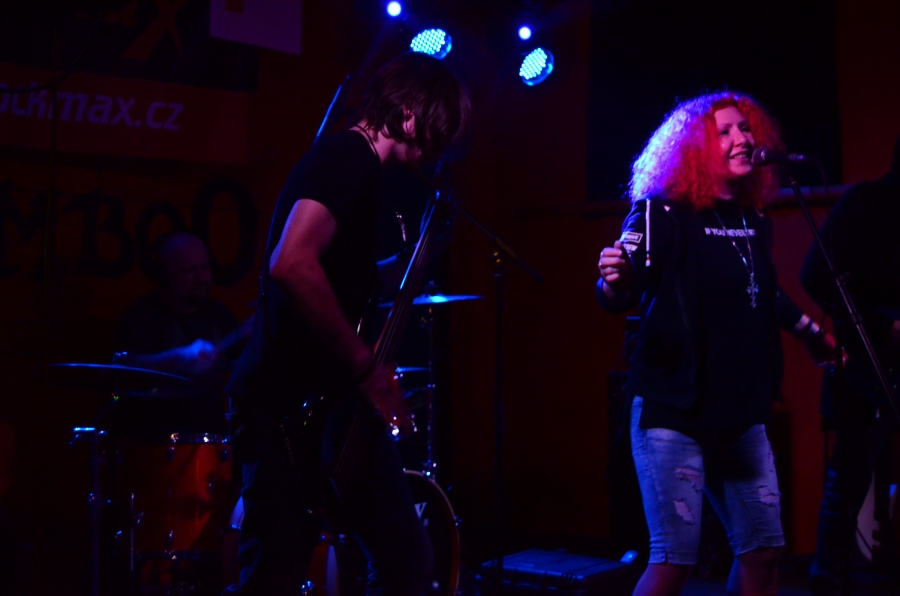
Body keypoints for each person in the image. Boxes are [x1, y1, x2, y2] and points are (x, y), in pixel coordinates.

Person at [223, 52, 470, 595]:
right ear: (410, 114)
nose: (440, 148)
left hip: (329, 406)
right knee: (276, 576)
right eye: (440, 129)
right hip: (285, 408)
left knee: (406, 560)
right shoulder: (347, 158)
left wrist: (412, 264)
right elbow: (292, 262)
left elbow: (338, 274)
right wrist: (366, 369)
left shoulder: (364, 173)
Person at [596, 91, 836, 596]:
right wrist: (614, 280)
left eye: (745, 128)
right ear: (693, 148)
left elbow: (765, 291)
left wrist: (813, 334)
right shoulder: (662, 213)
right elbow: (623, 285)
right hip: (673, 410)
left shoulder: (754, 220)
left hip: (739, 415)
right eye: (723, 131)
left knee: (763, 552)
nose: (741, 138)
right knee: (673, 560)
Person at [802, 135, 900, 595]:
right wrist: (881, 327)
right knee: (851, 478)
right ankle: (828, 577)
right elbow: (814, 275)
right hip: (866, 365)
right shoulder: (865, 204)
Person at [113, 231, 243, 434]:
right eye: (189, 270)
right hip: (154, 438)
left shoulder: (220, 315)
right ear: (165, 276)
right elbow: (123, 369)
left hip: (213, 438)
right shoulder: (142, 316)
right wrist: (180, 358)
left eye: (205, 267)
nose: (201, 278)